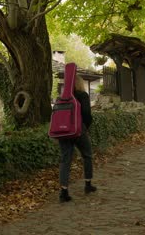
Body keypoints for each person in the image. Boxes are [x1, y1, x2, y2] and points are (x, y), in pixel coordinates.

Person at [58, 75, 97, 203]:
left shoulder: (63, 97)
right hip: (78, 131)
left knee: (65, 160)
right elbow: (86, 114)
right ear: (80, 84)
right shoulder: (82, 95)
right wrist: (85, 127)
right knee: (87, 155)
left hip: (63, 131)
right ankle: (88, 184)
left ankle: (64, 191)